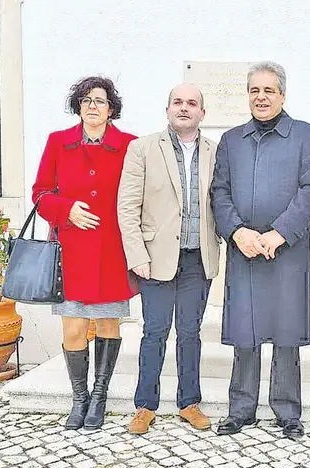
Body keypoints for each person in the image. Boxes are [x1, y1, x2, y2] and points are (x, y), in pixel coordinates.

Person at [210, 61, 310, 440]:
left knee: (286, 331)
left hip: (286, 251)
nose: (261, 98)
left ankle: (288, 412)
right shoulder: (231, 140)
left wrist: (280, 233)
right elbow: (220, 192)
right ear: (248, 95)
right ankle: (241, 409)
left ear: (283, 95)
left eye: (269, 91)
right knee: (246, 330)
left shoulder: (306, 136)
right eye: (255, 91)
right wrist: (237, 231)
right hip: (244, 249)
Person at [31, 76, 138, 431]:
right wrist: (66, 210)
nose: (93, 106)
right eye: (86, 100)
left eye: (101, 101)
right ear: (78, 106)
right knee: (74, 327)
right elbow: (41, 193)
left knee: (108, 324)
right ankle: (80, 399)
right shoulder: (58, 142)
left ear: (112, 109)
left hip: (112, 252)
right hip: (72, 252)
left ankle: (100, 396)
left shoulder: (129, 145)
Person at [117, 83, 221, 434]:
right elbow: (127, 206)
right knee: (155, 332)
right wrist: (136, 255)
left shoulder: (215, 152)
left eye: (192, 103)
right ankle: (145, 406)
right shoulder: (143, 148)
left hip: (198, 259)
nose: (184, 107)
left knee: (190, 333)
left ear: (202, 114)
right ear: (167, 109)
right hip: (155, 258)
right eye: (177, 102)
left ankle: (189, 402)